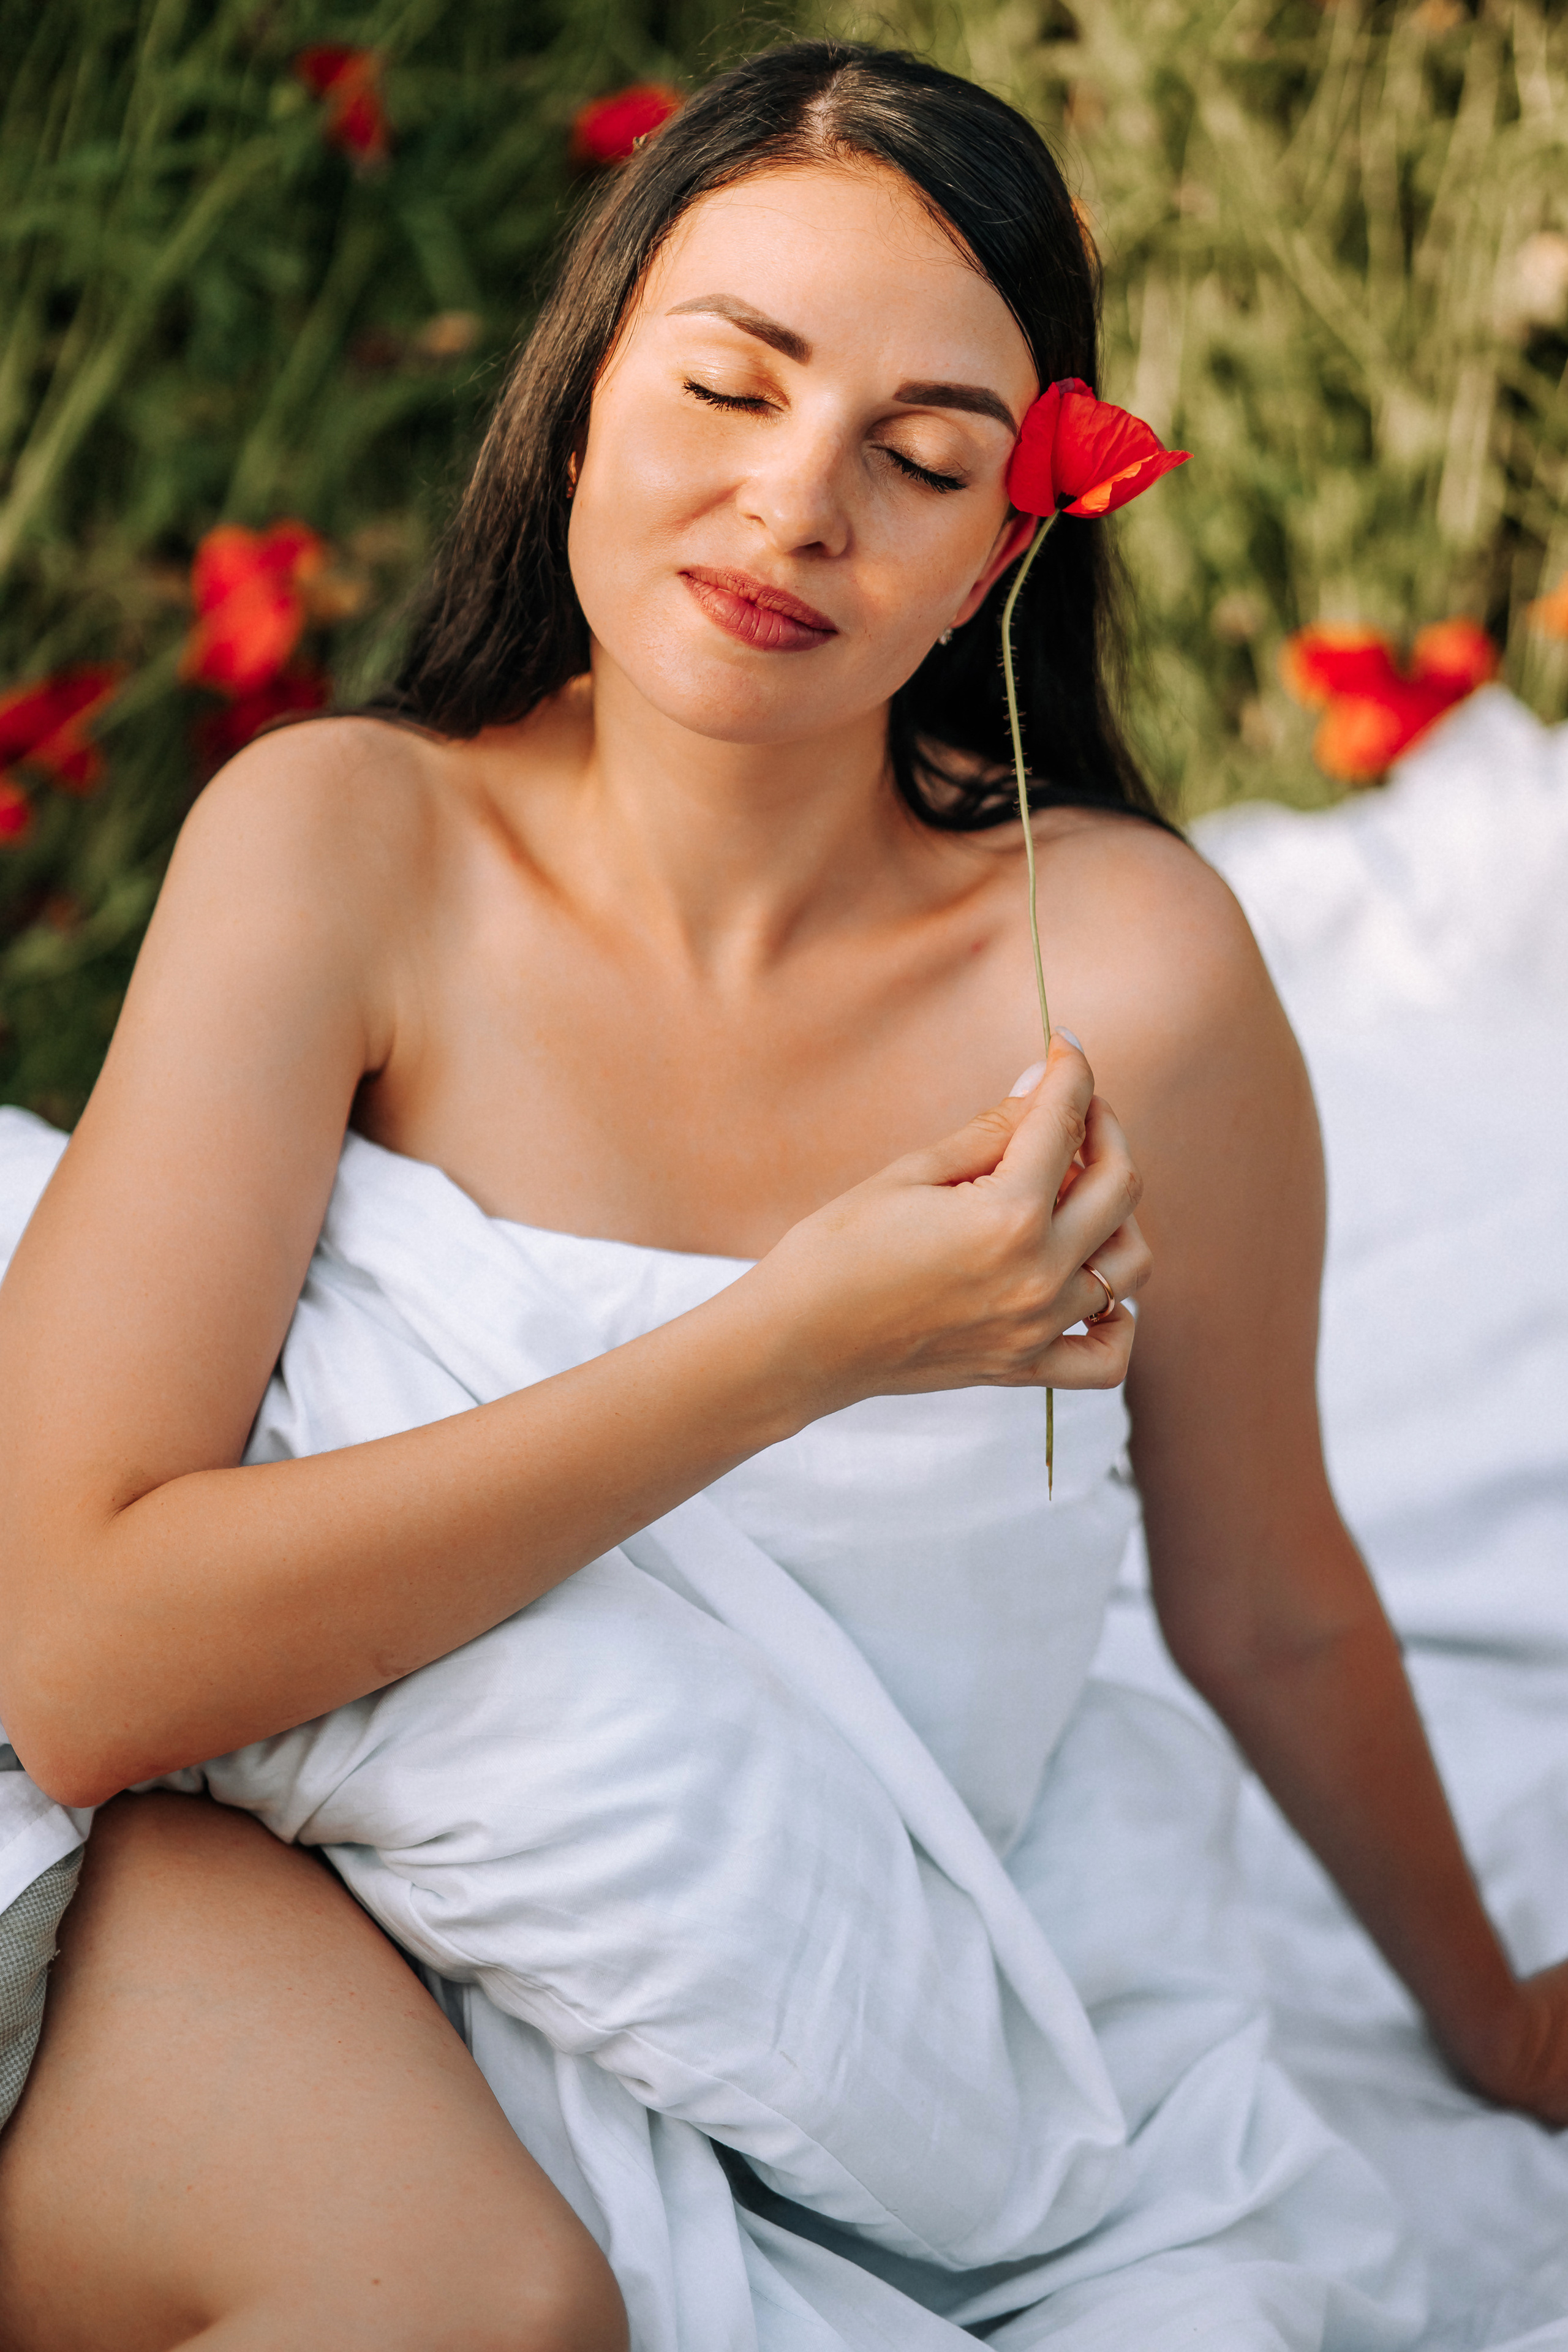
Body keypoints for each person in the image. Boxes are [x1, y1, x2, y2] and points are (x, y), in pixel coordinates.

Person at [0, 39, 1564, 2352]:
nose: (796, 503)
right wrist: (797, 1346)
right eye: (729, 386)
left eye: (920, 458)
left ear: (1004, 543)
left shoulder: (1121, 972)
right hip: (248, 1859)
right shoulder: (345, 852)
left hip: (857, 1979)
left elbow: (1272, 1596)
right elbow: (80, 1662)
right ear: (576, 405)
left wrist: (1494, 2022)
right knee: (480, 2308)